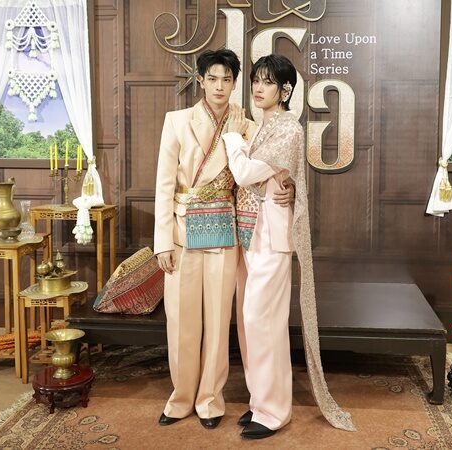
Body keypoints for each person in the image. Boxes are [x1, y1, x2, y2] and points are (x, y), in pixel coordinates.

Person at [152, 49, 294, 430]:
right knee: (181, 320)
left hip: (224, 228)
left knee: (218, 323)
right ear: (200, 81)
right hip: (183, 230)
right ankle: (181, 397)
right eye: (212, 78)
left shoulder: (246, 124)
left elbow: (272, 166)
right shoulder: (177, 121)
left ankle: (210, 400)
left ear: (234, 84)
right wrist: (162, 241)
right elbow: (163, 185)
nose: (219, 86)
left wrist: (291, 187)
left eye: (227, 79)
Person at [222, 54, 356, 439]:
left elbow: (246, 173)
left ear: (285, 90)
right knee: (250, 323)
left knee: (263, 322)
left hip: (272, 237)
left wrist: (232, 138)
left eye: (268, 82)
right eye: (256, 81)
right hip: (251, 233)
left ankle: (274, 411)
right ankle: (259, 402)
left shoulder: (287, 128)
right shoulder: (262, 126)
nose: (258, 88)